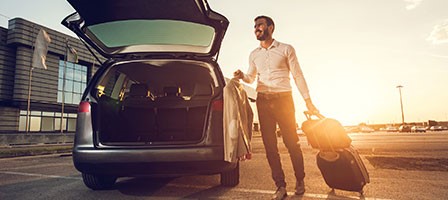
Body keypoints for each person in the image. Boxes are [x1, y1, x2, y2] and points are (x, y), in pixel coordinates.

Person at [234, 15, 318, 200]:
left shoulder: (286, 49)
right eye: (255, 26)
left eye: (260, 25)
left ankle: (300, 179)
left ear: (271, 28)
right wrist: (242, 75)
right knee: (270, 147)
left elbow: (298, 75)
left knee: (292, 143)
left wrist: (308, 100)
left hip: (284, 100)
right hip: (263, 100)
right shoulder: (254, 54)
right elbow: (251, 77)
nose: (256, 28)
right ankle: (280, 186)